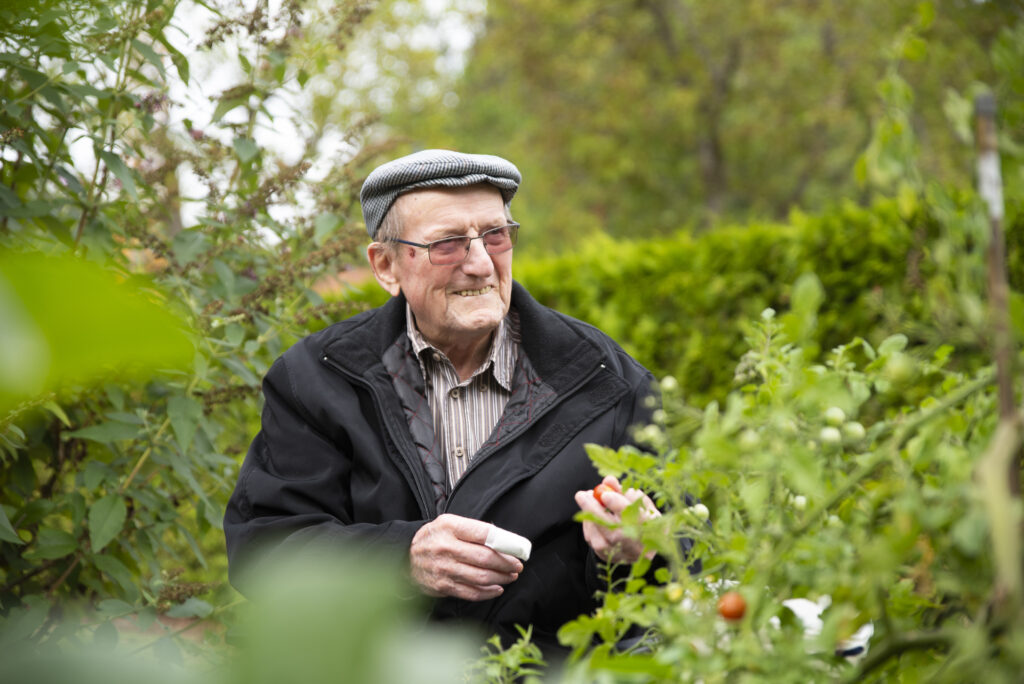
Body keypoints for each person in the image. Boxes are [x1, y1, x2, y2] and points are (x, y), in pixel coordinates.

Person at [223, 149, 675, 657]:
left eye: (495, 235)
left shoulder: (605, 380)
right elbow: (266, 553)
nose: (480, 263)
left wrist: (644, 551)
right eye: (448, 244)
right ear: (387, 266)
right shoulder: (318, 379)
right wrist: (403, 558)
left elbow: (690, 565)